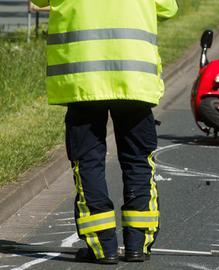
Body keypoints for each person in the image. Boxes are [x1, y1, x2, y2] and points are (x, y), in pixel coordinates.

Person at [30, 0, 178, 264]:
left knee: (88, 161)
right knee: (138, 161)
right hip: (133, 79)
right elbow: (169, 9)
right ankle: (137, 244)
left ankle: (102, 247)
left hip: (83, 81)